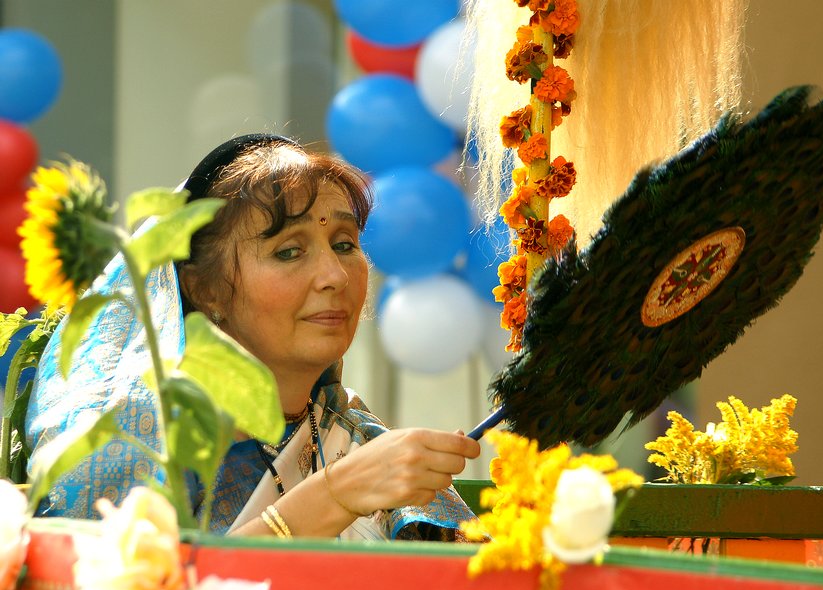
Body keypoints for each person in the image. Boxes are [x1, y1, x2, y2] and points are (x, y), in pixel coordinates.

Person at [25, 134, 481, 540]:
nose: (335, 276)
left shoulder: (354, 436)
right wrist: (334, 494)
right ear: (204, 289)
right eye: (289, 252)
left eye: (344, 244)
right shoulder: (143, 440)